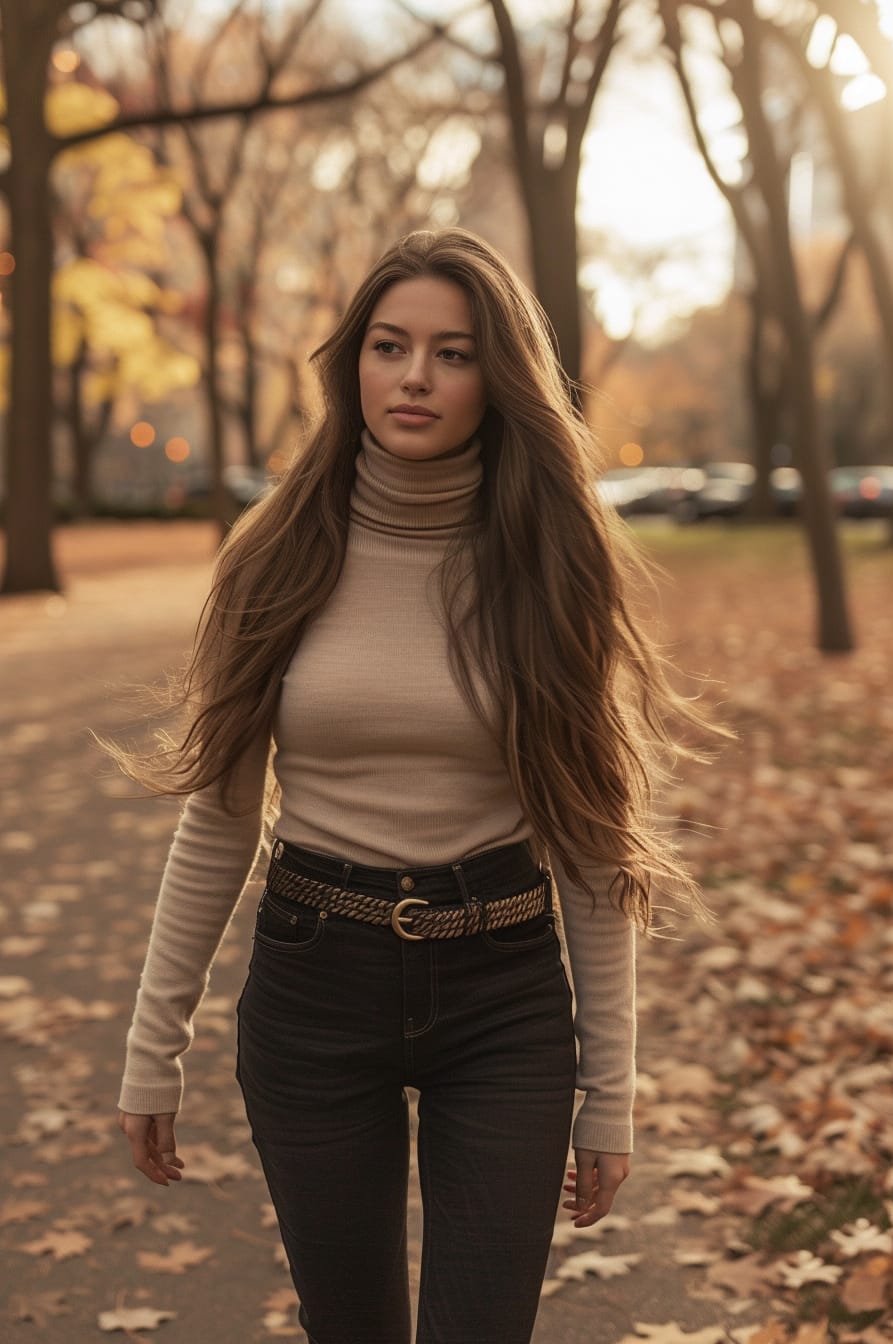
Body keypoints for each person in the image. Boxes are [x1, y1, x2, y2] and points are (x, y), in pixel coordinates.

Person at [114, 227, 718, 1344]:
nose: (414, 377)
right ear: (353, 362)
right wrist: (155, 1048)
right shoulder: (278, 551)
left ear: (499, 377)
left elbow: (590, 839)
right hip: (312, 985)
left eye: (451, 352)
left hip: (502, 992)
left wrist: (611, 1089)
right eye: (389, 346)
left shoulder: (551, 559)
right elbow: (219, 819)